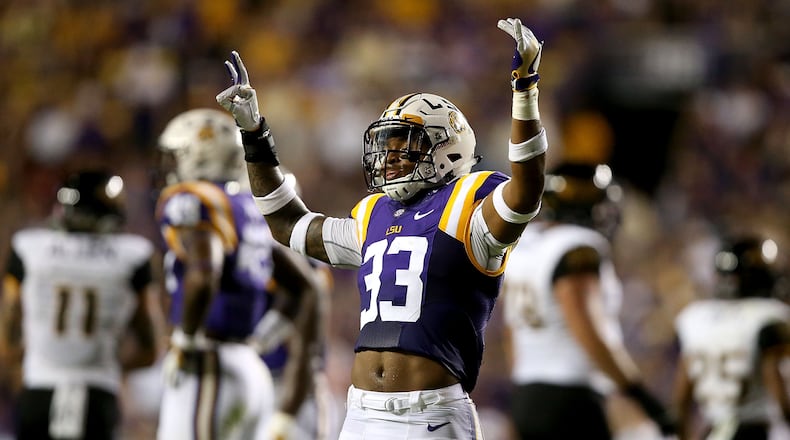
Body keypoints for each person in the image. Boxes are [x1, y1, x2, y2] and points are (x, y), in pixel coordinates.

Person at [216, 16, 547, 439]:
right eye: (386, 147)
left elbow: (527, 190)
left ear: (447, 148)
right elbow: (289, 225)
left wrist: (525, 89)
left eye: (404, 145)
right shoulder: (374, 213)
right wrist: (254, 133)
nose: (389, 158)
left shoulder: (470, 202)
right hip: (359, 413)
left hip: (430, 415)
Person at [154, 108, 322, 439]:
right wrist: (264, 335)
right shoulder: (249, 207)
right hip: (250, 368)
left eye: (176, 156)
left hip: (209, 362)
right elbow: (308, 287)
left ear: (197, 156)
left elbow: (204, 271)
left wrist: (185, 340)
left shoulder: (196, 199)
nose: (169, 167)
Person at [500, 161, 676, 439]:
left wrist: (526, 389)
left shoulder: (524, 243)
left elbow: (512, 330)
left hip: (527, 394)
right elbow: (589, 329)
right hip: (571, 398)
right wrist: (640, 396)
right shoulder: (577, 247)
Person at [0, 169, 160, 439]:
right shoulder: (133, 255)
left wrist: (32, 358)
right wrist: (107, 364)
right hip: (97, 392)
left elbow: (8, 337)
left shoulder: (29, 247)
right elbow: (150, 348)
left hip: (39, 390)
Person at [672, 235, 790, 440]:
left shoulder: (696, 319)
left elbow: (681, 400)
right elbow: (779, 392)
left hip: (713, 432)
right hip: (756, 432)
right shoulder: (768, 317)